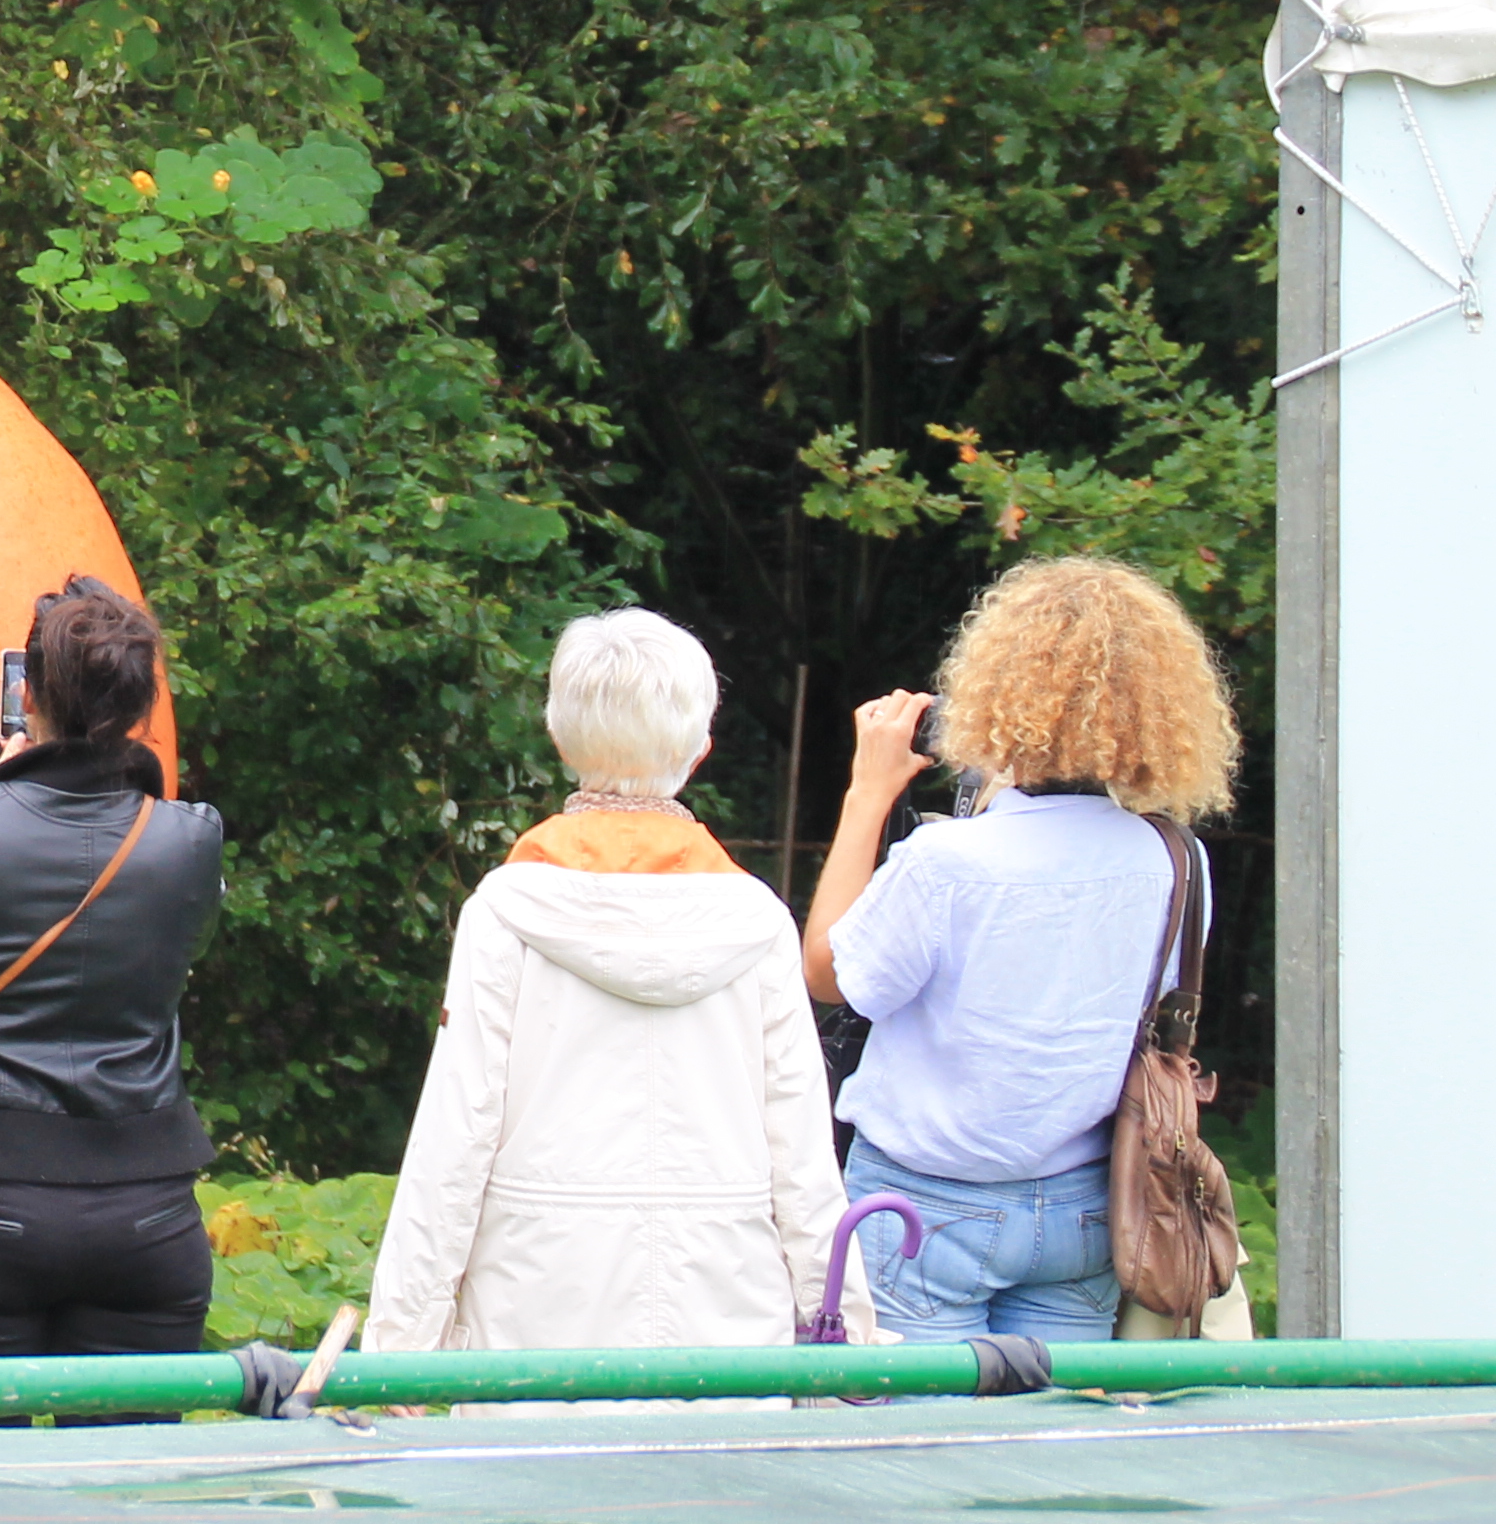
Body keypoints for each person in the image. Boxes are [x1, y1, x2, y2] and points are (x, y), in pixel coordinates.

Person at [367, 609, 870, 1360]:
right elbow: (801, 1147)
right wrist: (843, 1324)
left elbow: (458, 1129)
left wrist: (402, 1337)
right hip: (726, 1296)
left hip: (535, 1300)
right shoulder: (758, 919)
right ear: (701, 748)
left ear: (562, 741)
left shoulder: (508, 908)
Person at [804, 554, 1237, 1345]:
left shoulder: (948, 866)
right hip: (1090, 1206)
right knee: (1041, 1458)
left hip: (923, 1211)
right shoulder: (1176, 861)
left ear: (1000, 694)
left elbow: (830, 974)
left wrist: (869, 793)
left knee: (922, 1460)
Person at [0, 579, 225, 1363]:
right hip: (147, 1208)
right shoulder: (193, 838)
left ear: (27, 694)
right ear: (141, 704)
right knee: (118, 1483)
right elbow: (177, 951)